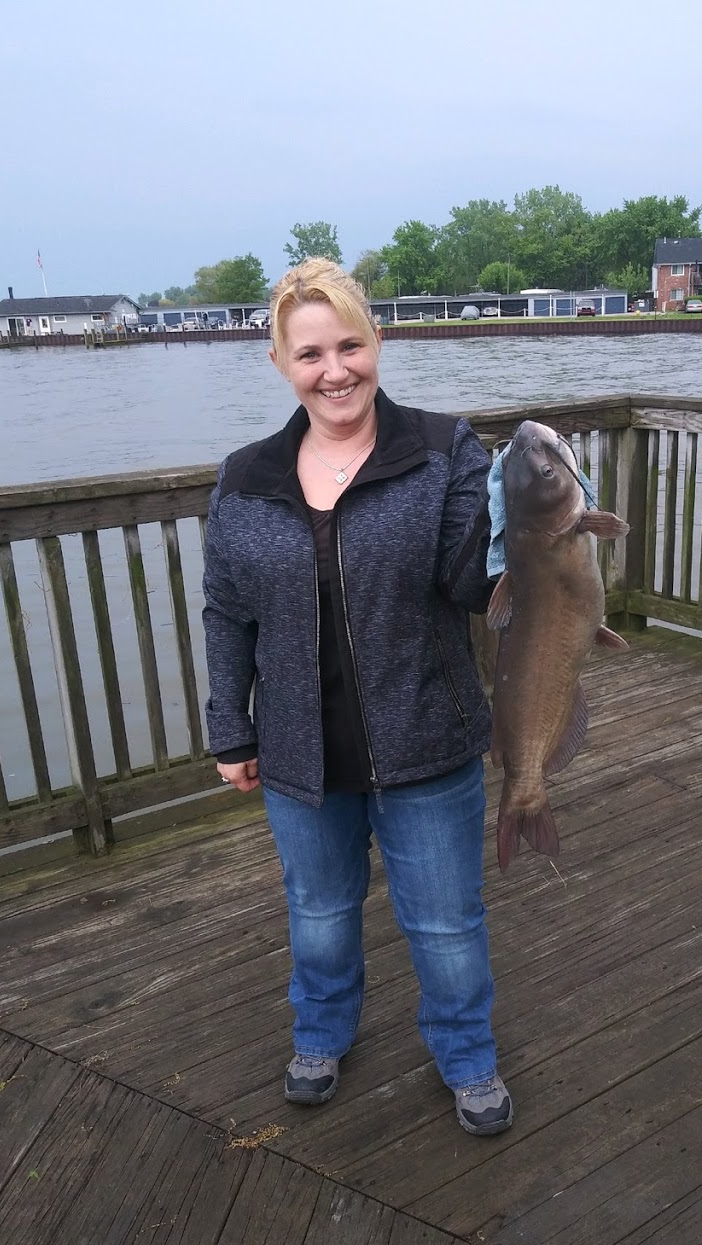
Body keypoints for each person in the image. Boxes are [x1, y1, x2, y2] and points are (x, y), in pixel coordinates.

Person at [202, 258, 512, 1136]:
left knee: (447, 925)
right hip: (303, 754)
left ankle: (467, 1055)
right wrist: (231, 728)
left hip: (428, 741)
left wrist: (529, 519)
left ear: (379, 344)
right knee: (320, 913)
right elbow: (227, 613)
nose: (334, 370)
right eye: (311, 354)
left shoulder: (444, 451)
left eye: (350, 345)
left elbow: (468, 586)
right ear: (280, 365)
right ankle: (321, 1033)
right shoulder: (244, 478)